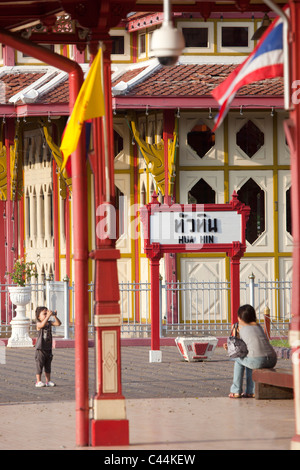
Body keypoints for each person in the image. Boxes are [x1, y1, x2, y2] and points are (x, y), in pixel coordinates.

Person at [227, 304, 277, 398]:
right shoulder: (258, 326)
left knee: (238, 359)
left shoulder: (239, 327)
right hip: (272, 359)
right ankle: (251, 391)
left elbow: (239, 349)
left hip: (258, 360)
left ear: (240, 318)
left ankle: (236, 390)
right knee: (249, 359)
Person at [35, 306, 61, 388]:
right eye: (44, 314)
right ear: (39, 316)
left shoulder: (49, 323)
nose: (46, 315)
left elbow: (58, 323)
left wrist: (54, 316)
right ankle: (38, 381)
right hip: (40, 349)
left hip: (48, 348)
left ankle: (48, 381)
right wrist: (48, 316)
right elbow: (42, 325)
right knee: (39, 365)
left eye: (47, 313)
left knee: (48, 366)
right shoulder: (38, 324)